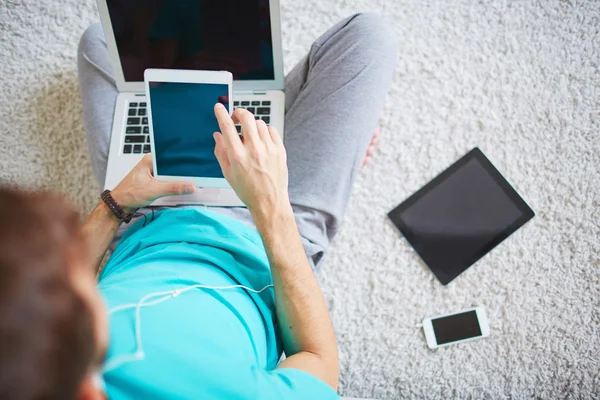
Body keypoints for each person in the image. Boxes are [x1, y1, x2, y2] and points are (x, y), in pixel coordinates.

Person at [0, 13, 397, 400]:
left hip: (143, 211)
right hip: (272, 234)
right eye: (73, 289)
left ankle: (258, 127)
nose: (73, 278)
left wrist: (115, 202)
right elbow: (318, 361)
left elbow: (55, 283)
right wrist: (270, 199)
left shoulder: (36, 364)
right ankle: (295, 149)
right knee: (367, 37)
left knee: (100, 42)